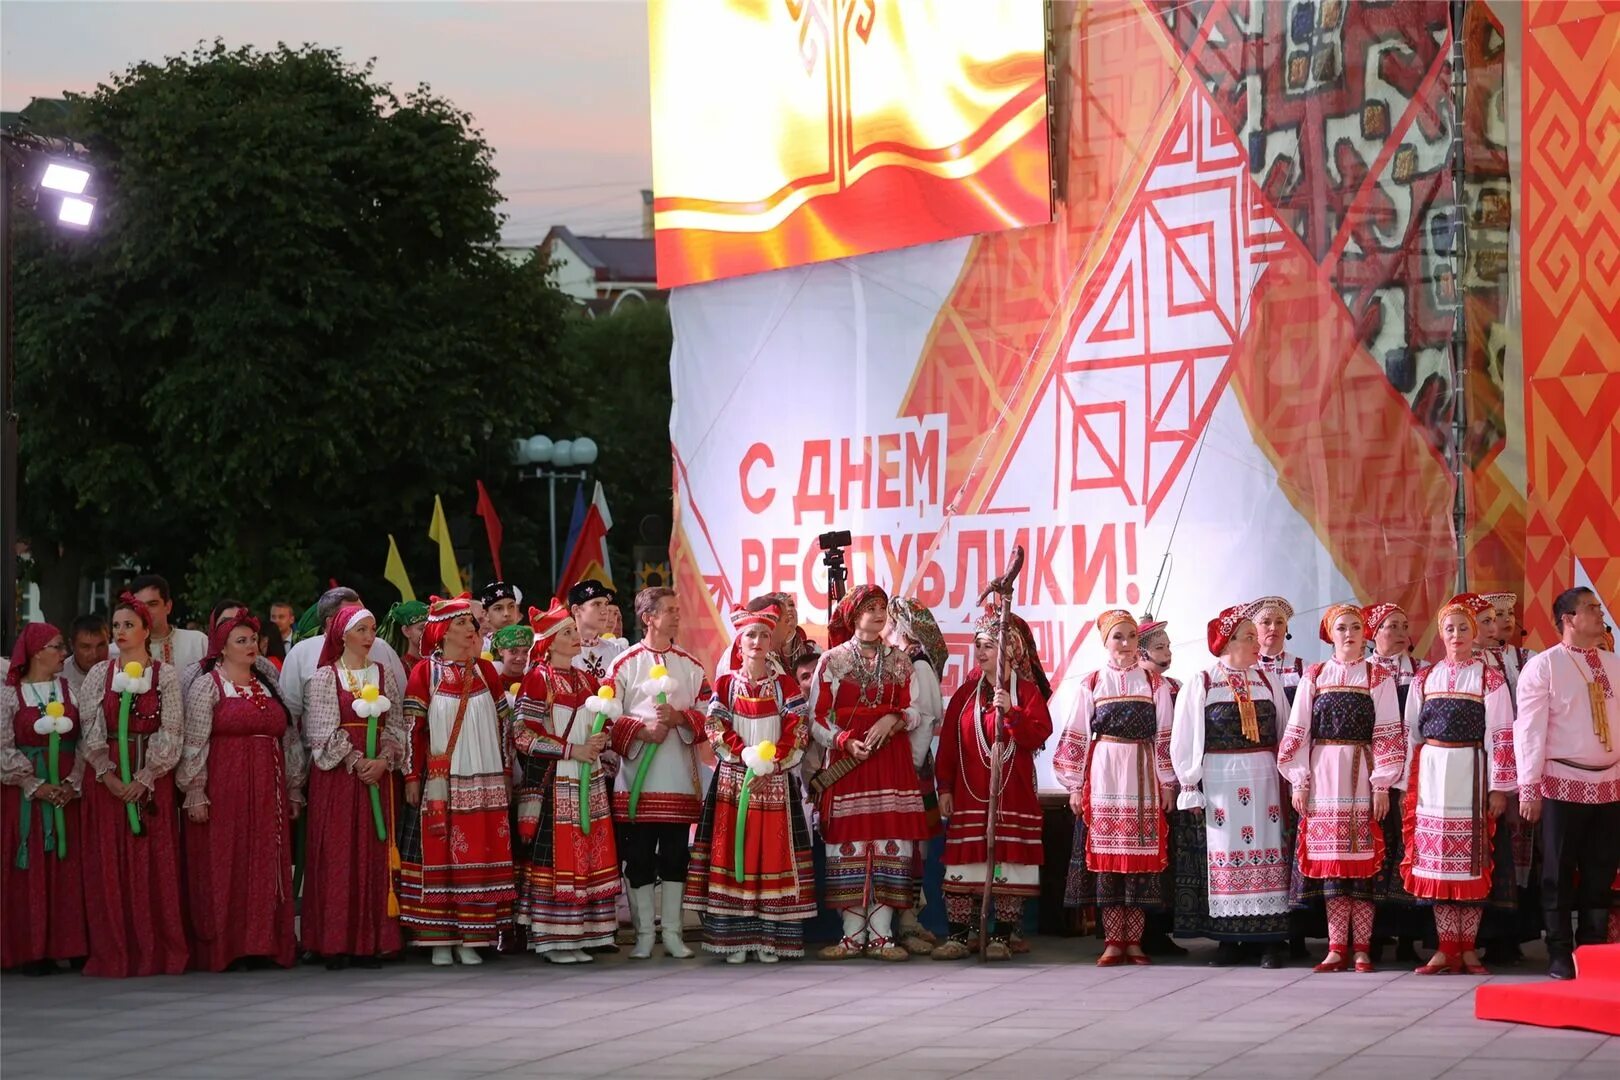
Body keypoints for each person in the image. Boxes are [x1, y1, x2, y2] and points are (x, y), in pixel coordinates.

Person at [1278, 603, 1406, 973]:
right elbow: (1299, 729)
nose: (1349, 634)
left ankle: (1363, 947)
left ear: (1365, 633)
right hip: (1323, 776)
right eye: (1341, 628)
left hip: (1362, 775)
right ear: (1330, 635)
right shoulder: (1315, 675)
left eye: (1355, 627)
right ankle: (1336, 947)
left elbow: (1387, 731)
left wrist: (1382, 784)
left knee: (1361, 862)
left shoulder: (1377, 676)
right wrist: (1299, 781)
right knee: (1334, 863)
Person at [685, 604, 815, 961]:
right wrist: (743, 756)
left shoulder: (786, 686)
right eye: (751, 636)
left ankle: (769, 939)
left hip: (773, 780)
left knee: (770, 856)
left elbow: (799, 729)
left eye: (763, 635)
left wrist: (772, 763)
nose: (757, 642)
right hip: (734, 780)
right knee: (736, 853)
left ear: (771, 643)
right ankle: (735, 941)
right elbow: (714, 727)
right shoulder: (726, 684)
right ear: (739, 644)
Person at [178, 609, 304, 972]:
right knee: (225, 861)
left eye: (253, 640)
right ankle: (227, 946)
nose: (251, 646)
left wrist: (294, 786)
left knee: (265, 860)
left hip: (268, 786)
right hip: (224, 785)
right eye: (242, 641)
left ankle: (263, 943)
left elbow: (290, 735)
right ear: (222, 648)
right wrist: (195, 790)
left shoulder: (269, 680)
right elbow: (194, 742)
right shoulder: (208, 685)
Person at [1169, 604, 1292, 968]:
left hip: (1265, 778)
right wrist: (1189, 783)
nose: (1258, 643)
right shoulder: (1204, 681)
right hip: (1221, 778)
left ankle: (1268, 938)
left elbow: (1285, 730)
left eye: (1256, 636)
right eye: (1249, 636)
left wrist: (1289, 776)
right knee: (1222, 852)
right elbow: (1186, 735)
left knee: (1270, 849)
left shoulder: (1267, 681)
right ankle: (1228, 938)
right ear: (1228, 642)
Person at [811, 585, 930, 960]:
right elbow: (815, 717)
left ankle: (882, 936)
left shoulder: (900, 660)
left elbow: (918, 711)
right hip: (849, 765)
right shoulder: (831, 661)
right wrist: (844, 740)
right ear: (852, 615)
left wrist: (894, 719)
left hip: (889, 763)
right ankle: (850, 936)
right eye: (870, 608)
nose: (879, 614)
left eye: (882, 608)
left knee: (889, 843)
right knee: (848, 841)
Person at [1400, 595, 1516, 975]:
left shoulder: (1490, 677)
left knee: (1471, 860)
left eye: (1464, 627)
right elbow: (1410, 733)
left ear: (1475, 631)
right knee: (1436, 863)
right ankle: (1445, 946)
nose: (1456, 635)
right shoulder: (1425, 677)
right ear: (1441, 633)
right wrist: (1405, 782)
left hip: (1471, 770)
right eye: (1449, 628)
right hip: (1433, 773)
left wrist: (1499, 787)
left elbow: (1501, 734)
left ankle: (1468, 948)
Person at [398, 595, 516, 965]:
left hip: (484, 780)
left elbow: (504, 729)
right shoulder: (424, 673)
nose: (471, 629)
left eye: (471, 624)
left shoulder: (486, 671)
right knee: (439, 852)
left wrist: (507, 774)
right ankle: (438, 939)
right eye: (463, 623)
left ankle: (472, 936)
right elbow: (412, 729)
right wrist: (411, 775)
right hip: (443, 779)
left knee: (479, 852)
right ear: (443, 631)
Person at [77, 592, 188, 976]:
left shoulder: (165, 675)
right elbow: (89, 729)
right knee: (110, 862)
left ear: (146, 630)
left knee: (151, 862)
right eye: (118, 625)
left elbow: (172, 728)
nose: (121, 632)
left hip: (150, 779)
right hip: (106, 780)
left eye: (129, 625)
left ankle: (155, 949)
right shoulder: (99, 675)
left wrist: (145, 777)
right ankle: (115, 949)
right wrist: (107, 774)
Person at [932, 607, 1052, 961]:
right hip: (970, 795)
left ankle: (1000, 937)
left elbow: (1037, 735)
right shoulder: (965, 695)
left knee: (1007, 864)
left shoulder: (1027, 692)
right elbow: (950, 747)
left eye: (990, 645)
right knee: (964, 866)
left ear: (1009, 650)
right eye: (979, 645)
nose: (982, 652)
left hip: (1010, 794)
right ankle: (958, 936)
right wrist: (945, 788)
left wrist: (1012, 712)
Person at [1056, 610, 1175, 965]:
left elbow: (1165, 735)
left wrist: (1168, 782)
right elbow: (1076, 734)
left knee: (1138, 859)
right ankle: (1112, 940)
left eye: (1131, 637)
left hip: (1142, 772)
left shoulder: (1154, 685)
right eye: (1118, 637)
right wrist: (1074, 786)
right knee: (1109, 859)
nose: (1125, 644)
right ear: (1105, 642)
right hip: (1106, 771)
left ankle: (1134, 941)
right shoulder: (1092, 683)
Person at [1514, 585, 1620, 980]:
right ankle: (1558, 951)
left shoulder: (1614, 664)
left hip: (1610, 782)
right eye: (1591, 608)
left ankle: (1591, 951)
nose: (1600, 614)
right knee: (1557, 871)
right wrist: (1529, 787)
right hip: (1560, 781)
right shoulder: (1544, 666)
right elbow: (1529, 730)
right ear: (1569, 619)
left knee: (1600, 870)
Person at [511, 600, 621, 963]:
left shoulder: (586, 679)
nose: (576, 638)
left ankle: (583, 931)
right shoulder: (538, 678)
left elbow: (599, 722)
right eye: (568, 633)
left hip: (587, 778)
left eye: (574, 632)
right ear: (549, 642)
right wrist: (571, 749)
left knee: (586, 850)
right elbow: (522, 733)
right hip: (554, 779)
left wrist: (600, 739)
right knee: (557, 854)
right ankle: (553, 937)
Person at [301, 605, 408, 969]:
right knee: (338, 854)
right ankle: (335, 940)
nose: (369, 636)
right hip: (339, 779)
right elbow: (320, 732)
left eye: (372, 628)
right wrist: (357, 760)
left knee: (373, 853)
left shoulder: (384, 675)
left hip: (377, 774)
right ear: (342, 635)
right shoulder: (324, 678)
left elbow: (396, 725)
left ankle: (372, 939)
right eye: (361, 629)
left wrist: (384, 761)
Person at [608, 587, 712, 960]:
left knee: (673, 856)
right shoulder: (624, 664)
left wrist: (682, 718)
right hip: (636, 779)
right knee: (637, 857)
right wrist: (642, 730)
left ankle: (671, 933)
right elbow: (606, 716)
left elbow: (711, 715)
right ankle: (642, 935)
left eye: (677, 610)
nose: (676, 616)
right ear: (648, 617)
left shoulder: (690, 664)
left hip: (679, 780)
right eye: (668, 611)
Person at [1, 624, 90, 973]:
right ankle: (32, 948)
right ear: (37, 651)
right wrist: (35, 784)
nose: (63, 653)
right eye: (56, 647)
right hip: (27, 796)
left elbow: (87, 739)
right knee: (30, 866)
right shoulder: (10, 695)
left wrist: (72, 782)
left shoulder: (71, 690)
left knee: (68, 864)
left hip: (67, 792)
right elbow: (3, 746)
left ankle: (70, 943)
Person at [1362, 601, 1429, 964]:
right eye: (1392, 626)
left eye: (1405, 625)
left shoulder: (1422, 672)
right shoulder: (1362, 672)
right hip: (1367, 772)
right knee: (1375, 848)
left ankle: (1408, 935)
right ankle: (1370, 935)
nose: (1402, 633)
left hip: (1412, 773)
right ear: (1374, 632)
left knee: (1407, 848)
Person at [885, 596, 949, 955]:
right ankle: (905, 918)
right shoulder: (902, 661)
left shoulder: (917, 665)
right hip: (904, 767)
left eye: (890, 623)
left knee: (912, 847)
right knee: (902, 845)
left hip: (910, 768)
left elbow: (923, 721)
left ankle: (909, 919)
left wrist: (909, 764)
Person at [1137, 614, 1189, 958]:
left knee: (1164, 856)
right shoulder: (1133, 686)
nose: (1167, 651)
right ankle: (1131, 929)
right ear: (1141, 652)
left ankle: (1159, 928)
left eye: (1168, 645)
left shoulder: (1175, 687)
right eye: (1159, 646)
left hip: (1167, 783)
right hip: (1136, 778)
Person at [281, 587, 409, 727]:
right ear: (331, 623)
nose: (361, 618)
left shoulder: (382, 649)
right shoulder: (301, 653)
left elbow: (402, 703)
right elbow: (288, 714)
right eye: (352, 616)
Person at [109, 574, 209, 670]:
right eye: (139, 606)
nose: (145, 611)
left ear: (168, 606)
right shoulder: (116, 650)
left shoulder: (197, 642)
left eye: (152, 604)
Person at [568, 580, 627, 680]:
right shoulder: (562, 653)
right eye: (597, 604)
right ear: (576, 610)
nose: (605, 611)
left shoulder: (618, 652)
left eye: (606, 604)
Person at [1252, 597, 1305, 705]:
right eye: (1266, 622)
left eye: (1279, 622)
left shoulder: (1304, 668)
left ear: (1286, 628)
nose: (1273, 627)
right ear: (1254, 629)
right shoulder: (1245, 668)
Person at [63, 614, 109, 698]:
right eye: (86, 647)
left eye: (101, 645)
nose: (95, 654)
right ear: (71, 645)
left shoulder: (122, 663)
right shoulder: (61, 676)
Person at [381, 600, 430, 672]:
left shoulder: (439, 664)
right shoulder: (400, 668)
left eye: (431, 628)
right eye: (421, 628)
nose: (428, 633)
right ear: (406, 631)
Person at [490, 623, 534, 696]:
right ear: (500, 651)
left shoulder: (535, 685)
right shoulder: (492, 686)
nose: (519, 658)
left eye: (525, 652)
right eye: (513, 651)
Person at [477, 581, 524, 648]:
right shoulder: (480, 648)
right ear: (486, 615)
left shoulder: (531, 642)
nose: (506, 613)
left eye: (511, 606)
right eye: (498, 608)